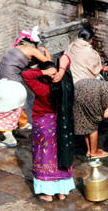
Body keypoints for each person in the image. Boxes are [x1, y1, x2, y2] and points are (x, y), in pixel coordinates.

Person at [22, 62, 75, 202]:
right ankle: (62, 192)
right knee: (59, 153)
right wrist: (60, 71)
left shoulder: (42, 89)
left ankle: (47, 193)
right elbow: (66, 59)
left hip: (44, 126)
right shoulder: (63, 88)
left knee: (44, 156)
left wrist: (43, 72)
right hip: (59, 125)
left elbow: (26, 75)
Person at [0, 27, 52, 129]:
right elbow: (48, 63)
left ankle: (8, 120)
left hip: (1, 71)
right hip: (9, 74)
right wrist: (46, 50)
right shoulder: (33, 50)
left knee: (7, 96)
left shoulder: (19, 47)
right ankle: (22, 124)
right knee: (19, 97)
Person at [73, 79, 108, 158]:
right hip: (90, 94)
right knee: (93, 123)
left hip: (78, 87)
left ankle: (89, 151)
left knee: (85, 120)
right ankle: (94, 152)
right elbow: (107, 114)